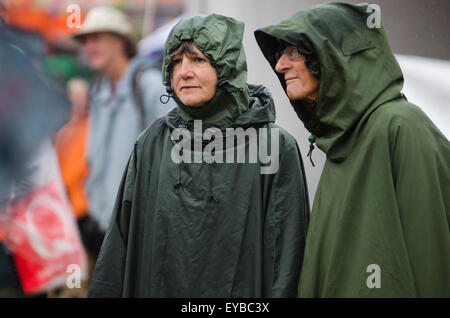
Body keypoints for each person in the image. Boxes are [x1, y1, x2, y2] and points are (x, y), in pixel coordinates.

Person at [88, 14, 310, 297]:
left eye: (198, 60)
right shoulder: (152, 143)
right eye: (176, 61)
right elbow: (118, 246)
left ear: (227, 66)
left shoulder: (274, 147)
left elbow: (288, 259)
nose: (184, 72)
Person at [255, 2, 450, 297]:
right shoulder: (340, 140)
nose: (280, 65)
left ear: (332, 55)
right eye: (280, 53)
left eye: (293, 51)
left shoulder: (400, 126)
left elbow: (432, 259)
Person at [72, 6, 174, 254]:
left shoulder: (150, 86)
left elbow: (176, 157)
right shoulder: (98, 90)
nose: (89, 47)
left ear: (119, 40)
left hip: (138, 235)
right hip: (100, 231)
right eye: (86, 40)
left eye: (96, 38)